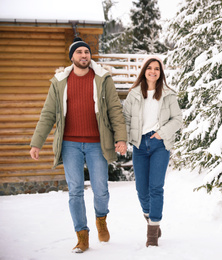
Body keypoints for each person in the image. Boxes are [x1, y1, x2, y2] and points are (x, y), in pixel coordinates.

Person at [29, 37, 127, 253]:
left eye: (86, 52)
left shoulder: (102, 78)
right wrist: (37, 143)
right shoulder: (60, 82)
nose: (84, 55)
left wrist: (120, 138)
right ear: (72, 57)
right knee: (75, 191)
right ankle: (82, 235)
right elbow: (47, 114)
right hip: (70, 143)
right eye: (79, 52)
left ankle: (101, 219)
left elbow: (115, 110)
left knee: (101, 189)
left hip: (96, 144)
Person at [123, 56, 182, 247]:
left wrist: (161, 133)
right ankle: (152, 220)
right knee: (141, 189)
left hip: (159, 144)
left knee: (156, 187)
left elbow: (177, 119)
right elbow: (125, 120)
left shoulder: (168, 94)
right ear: (144, 70)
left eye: (157, 68)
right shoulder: (133, 94)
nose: (153, 71)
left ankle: (152, 234)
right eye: (149, 68)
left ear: (160, 72)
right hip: (139, 145)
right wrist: (123, 140)